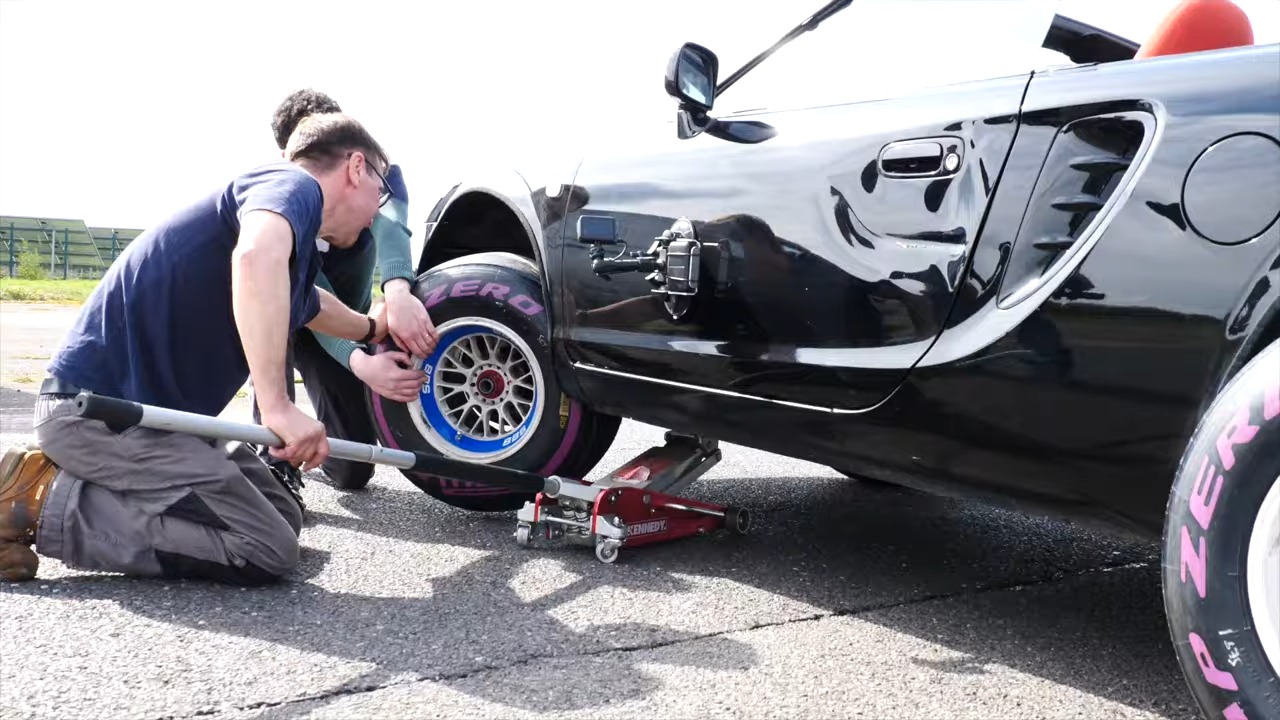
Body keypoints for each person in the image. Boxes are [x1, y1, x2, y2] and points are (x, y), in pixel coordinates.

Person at [0, 112, 394, 585]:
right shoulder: (291, 184)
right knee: (266, 549)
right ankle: (37, 501)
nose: (378, 209)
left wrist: (373, 329)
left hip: (162, 425)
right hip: (100, 416)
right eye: (381, 189)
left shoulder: (291, 241)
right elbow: (253, 258)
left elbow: (309, 304)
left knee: (279, 514)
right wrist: (277, 406)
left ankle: (97, 487)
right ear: (355, 168)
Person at [252, 89, 436, 503]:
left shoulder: (377, 172)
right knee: (276, 321)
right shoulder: (281, 202)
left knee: (353, 469)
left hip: (337, 327)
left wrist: (398, 290)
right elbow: (311, 296)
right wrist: (362, 364)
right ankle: (271, 461)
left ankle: (303, 445)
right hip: (285, 317)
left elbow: (391, 226)